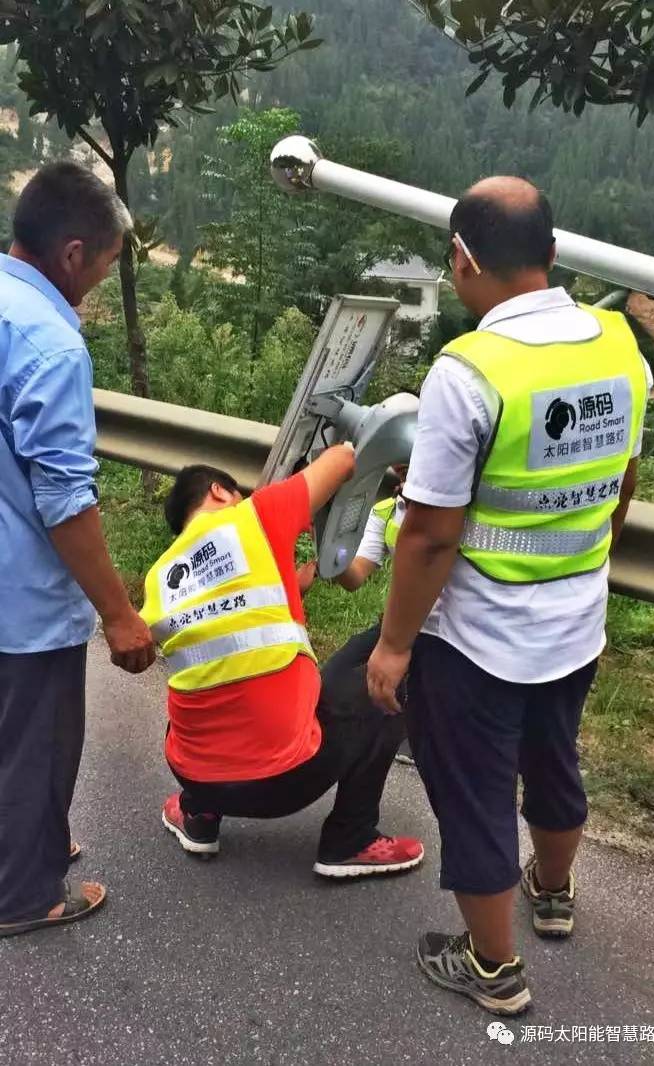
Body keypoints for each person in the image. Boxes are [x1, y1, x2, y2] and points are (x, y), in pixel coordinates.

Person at [367, 177, 651, 1014]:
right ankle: (552, 893)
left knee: (476, 792)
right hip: (577, 621)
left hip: (480, 636)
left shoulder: (469, 371)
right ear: (552, 253)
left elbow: (429, 534)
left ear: (461, 260)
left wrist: (393, 645)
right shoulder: (618, 346)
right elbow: (622, 480)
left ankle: (492, 967)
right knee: (554, 761)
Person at [0, 163, 155, 938]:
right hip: (22, 598)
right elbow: (65, 502)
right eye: (105, 262)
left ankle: (26, 840)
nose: (99, 278)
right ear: (72, 254)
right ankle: (26, 895)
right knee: (37, 742)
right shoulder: (51, 343)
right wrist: (119, 615)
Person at [140, 455, 424, 878]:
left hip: (192, 774)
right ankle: (351, 838)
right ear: (220, 491)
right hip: (284, 785)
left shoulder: (161, 577)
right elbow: (345, 456)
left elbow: (231, 615)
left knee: (203, 685)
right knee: (392, 678)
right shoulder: (254, 515)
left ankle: (198, 815)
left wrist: (293, 585)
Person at [324, 465, 414, 766]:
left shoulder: (457, 508)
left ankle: (411, 733)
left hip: (444, 633)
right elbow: (355, 576)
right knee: (330, 682)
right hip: (395, 626)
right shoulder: (387, 511)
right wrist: (329, 549)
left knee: (384, 715)